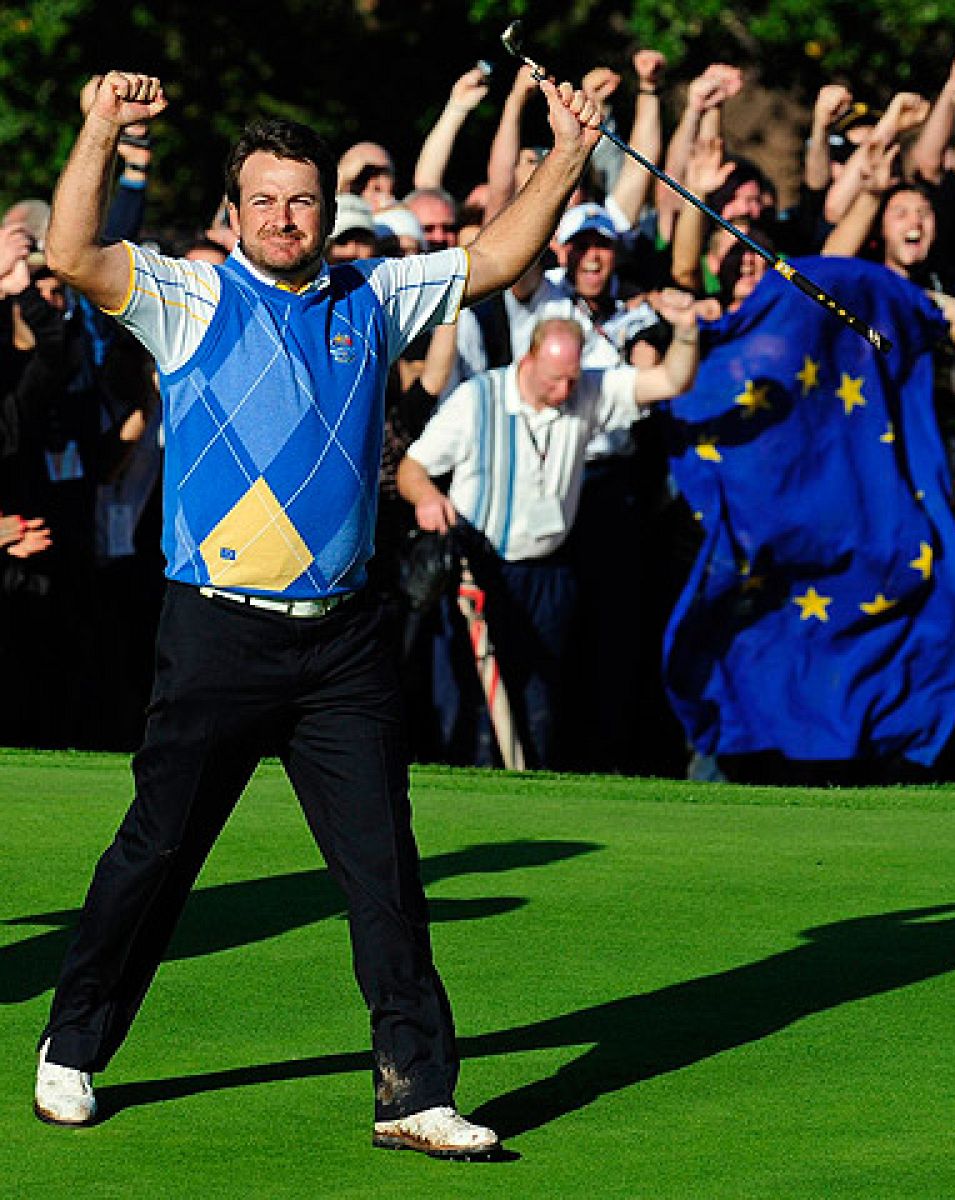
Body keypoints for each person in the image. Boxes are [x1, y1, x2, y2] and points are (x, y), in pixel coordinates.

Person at [32, 66, 604, 1159]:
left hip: (342, 641)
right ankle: (73, 1044)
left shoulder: (374, 295)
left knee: (383, 870)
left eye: (302, 199)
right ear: (233, 212)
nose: (284, 217)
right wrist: (99, 125)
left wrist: (570, 152)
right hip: (216, 631)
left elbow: (497, 256)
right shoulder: (190, 296)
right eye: (264, 200)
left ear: (328, 208)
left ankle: (414, 1091)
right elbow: (71, 253)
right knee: (157, 852)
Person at [397, 301, 702, 767]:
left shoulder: (585, 392)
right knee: (469, 703)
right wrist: (426, 498)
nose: (563, 391)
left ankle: (526, 791)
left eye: (571, 380)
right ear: (529, 360)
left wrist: (685, 332)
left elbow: (670, 382)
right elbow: (412, 468)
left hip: (548, 572)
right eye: (554, 380)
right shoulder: (479, 399)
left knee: (537, 700)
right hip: (480, 571)